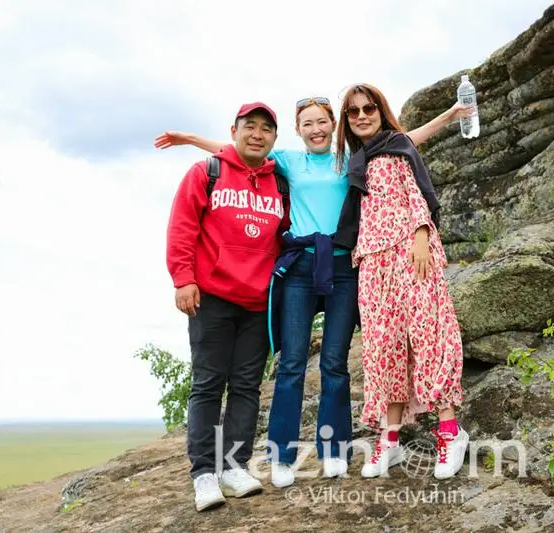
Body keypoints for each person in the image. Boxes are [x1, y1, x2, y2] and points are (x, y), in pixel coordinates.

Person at [156, 98, 470, 487]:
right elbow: (237, 150)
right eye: (308, 123)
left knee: (334, 363)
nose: (316, 129)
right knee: (291, 363)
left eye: (322, 122)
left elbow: (406, 140)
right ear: (298, 129)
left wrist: (450, 115)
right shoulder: (288, 160)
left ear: (333, 124)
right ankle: (282, 456)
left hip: (343, 267)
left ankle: (334, 451)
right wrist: (190, 139)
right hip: (301, 268)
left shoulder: (353, 157)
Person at [332, 83, 467, 480]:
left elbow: (415, 191)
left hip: (411, 250)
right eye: (353, 111)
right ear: (346, 121)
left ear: (381, 110)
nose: (362, 115)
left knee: (429, 335)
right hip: (372, 261)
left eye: (369, 108)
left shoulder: (396, 146)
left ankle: (450, 432)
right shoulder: (355, 160)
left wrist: (422, 236)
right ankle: (389, 441)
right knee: (383, 347)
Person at [166, 102, 289, 511]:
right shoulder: (207, 172)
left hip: (258, 302)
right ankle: (203, 473)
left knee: (246, 386)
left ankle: (234, 467)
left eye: (266, 129)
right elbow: (182, 226)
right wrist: (183, 278)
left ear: (274, 138)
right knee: (207, 384)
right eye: (250, 126)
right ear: (233, 131)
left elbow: (286, 235)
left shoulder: (280, 182)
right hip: (212, 296)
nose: (257, 134)